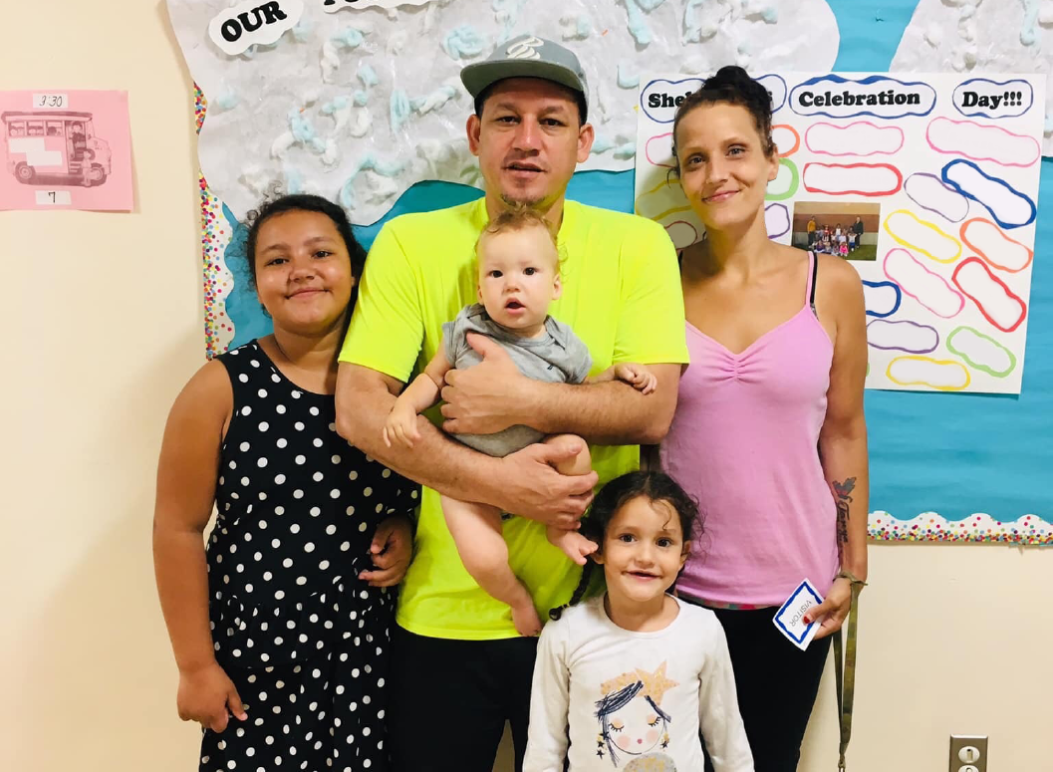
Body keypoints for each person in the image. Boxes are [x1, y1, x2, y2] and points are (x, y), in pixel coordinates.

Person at [335, 34, 688, 772]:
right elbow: (361, 410)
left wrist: (518, 398)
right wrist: (503, 485)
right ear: (474, 135)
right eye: (504, 118)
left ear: (583, 141)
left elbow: (648, 411)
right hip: (443, 610)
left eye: (552, 121)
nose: (527, 141)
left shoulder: (639, 246)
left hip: (597, 612)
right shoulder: (410, 244)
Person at [153, 194, 419, 772]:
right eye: (276, 261)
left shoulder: (400, 388)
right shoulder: (220, 387)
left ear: (354, 269)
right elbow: (178, 527)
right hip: (256, 665)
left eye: (321, 253)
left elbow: (421, 488)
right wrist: (196, 666)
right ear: (256, 284)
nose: (300, 270)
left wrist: (405, 524)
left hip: (371, 658)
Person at [662, 66, 869, 771]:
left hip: (795, 595)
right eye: (695, 159)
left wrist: (852, 569)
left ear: (770, 157)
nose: (716, 173)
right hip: (672, 590)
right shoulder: (657, 280)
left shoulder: (830, 283)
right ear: (681, 178)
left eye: (734, 151)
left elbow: (842, 430)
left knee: (767, 760)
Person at [382, 206, 657, 637]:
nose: (512, 283)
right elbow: (431, 378)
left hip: (538, 460)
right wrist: (403, 407)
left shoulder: (563, 344)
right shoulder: (466, 328)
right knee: (484, 557)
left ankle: (559, 527)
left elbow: (584, 392)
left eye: (529, 271)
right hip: (467, 473)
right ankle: (515, 598)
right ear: (479, 285)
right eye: (496, 274)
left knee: (575, 449)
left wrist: (616, 374)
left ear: (555, 285)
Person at [523, 471, 753, 772]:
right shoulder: (565, 634)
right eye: (627, 538)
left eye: (663, 542)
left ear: (683, 554)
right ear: (599, 547)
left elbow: (727, 740)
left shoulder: (703, 630)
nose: (645, 556)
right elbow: (545, 747)